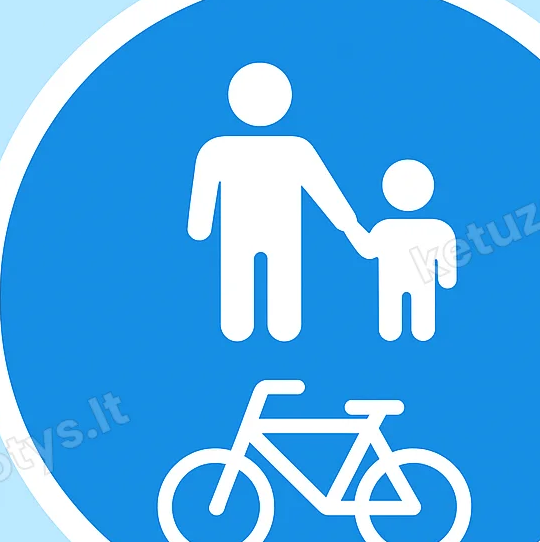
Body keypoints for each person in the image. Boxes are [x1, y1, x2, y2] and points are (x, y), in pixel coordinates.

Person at [187, 62, 362, 341]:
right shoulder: (294, 149)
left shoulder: (218, 150)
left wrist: (200, 229)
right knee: (275, 288)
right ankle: (270, 330)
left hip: (246, 235)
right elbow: (327, 195)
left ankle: (248, 330)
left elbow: (324, 191)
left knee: (249, 287)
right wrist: (350, 227)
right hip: (276, 236)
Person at [348, 160, 457, 340]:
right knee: (418, 331)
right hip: (419, 282)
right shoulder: (438, 228)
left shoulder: (385, 228)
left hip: (394, 283)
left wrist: (351, 228)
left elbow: (366, 250)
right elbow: (448, 271)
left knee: (394, 331)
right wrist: (447, 279)